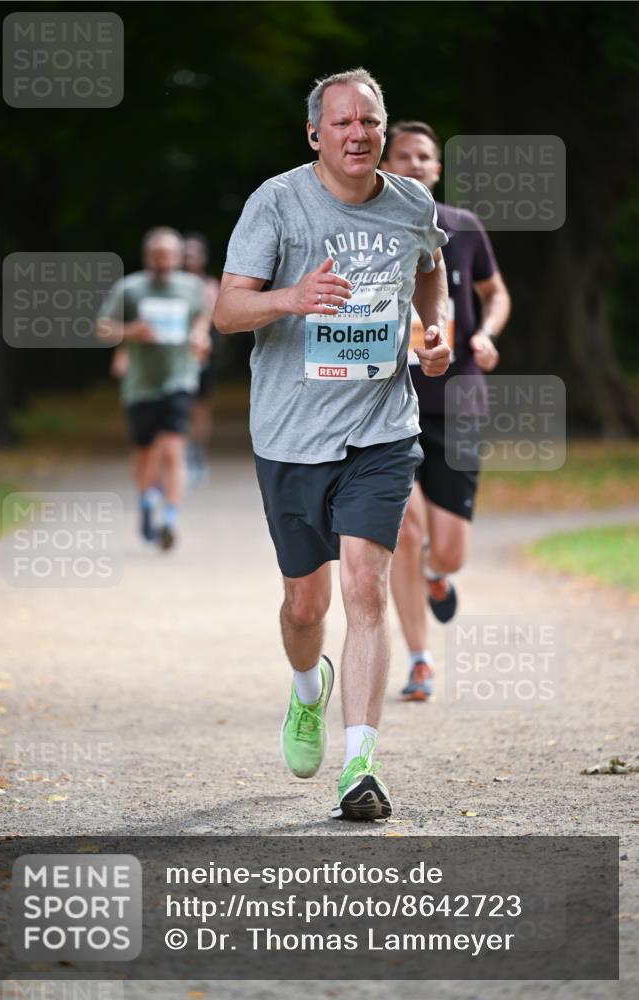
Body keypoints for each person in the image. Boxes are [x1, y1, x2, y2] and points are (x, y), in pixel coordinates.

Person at [213, 69, 450, 820]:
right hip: (290, 432)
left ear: (384, 130)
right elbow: (225, 310)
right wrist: (291, 297)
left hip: (381, 430)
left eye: (370, 123)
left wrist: (433, 330)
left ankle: (360, 767)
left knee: (362, 590)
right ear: (315, 133)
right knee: (304, 602)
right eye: (342, 123)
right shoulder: (276, 203)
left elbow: (429, 270)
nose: (358, 135)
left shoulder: (412, 202)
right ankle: (307, 688)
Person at [381, 122, 511, 700]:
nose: (414, 163)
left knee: (449, 549)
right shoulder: (367, 227)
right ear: (386, 163)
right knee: (404, 533)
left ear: (437, 169)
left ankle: (438, 575)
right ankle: (419, 658)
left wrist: (485, 334)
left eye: (424, 157)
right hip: (386, 403)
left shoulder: (462, 227)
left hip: (457, 400)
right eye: (403, 155)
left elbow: (496, 293)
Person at [97, 227, 211, 550]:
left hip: (180, 379)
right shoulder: (129, 288)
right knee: (145, 454)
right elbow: (103, 328)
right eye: (157, 255)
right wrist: (131, 331)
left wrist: (200, 337)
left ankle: (171, 519)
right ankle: (147, 501)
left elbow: (203, 318)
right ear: (148, 256)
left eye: (169, 255)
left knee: (174, 451)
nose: (164, 261)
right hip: (140, 385)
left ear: (177, 257)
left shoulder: (191, 287)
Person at [183, 233, 220, 485]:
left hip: (202, 350)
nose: (189, 258)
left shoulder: (209, 284)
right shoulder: (171, 283)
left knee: (200, 406)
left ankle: (197, 453)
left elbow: (215, 316)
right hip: (174, 351)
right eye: (186, 253)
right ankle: (182, 452)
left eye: (194, 253)